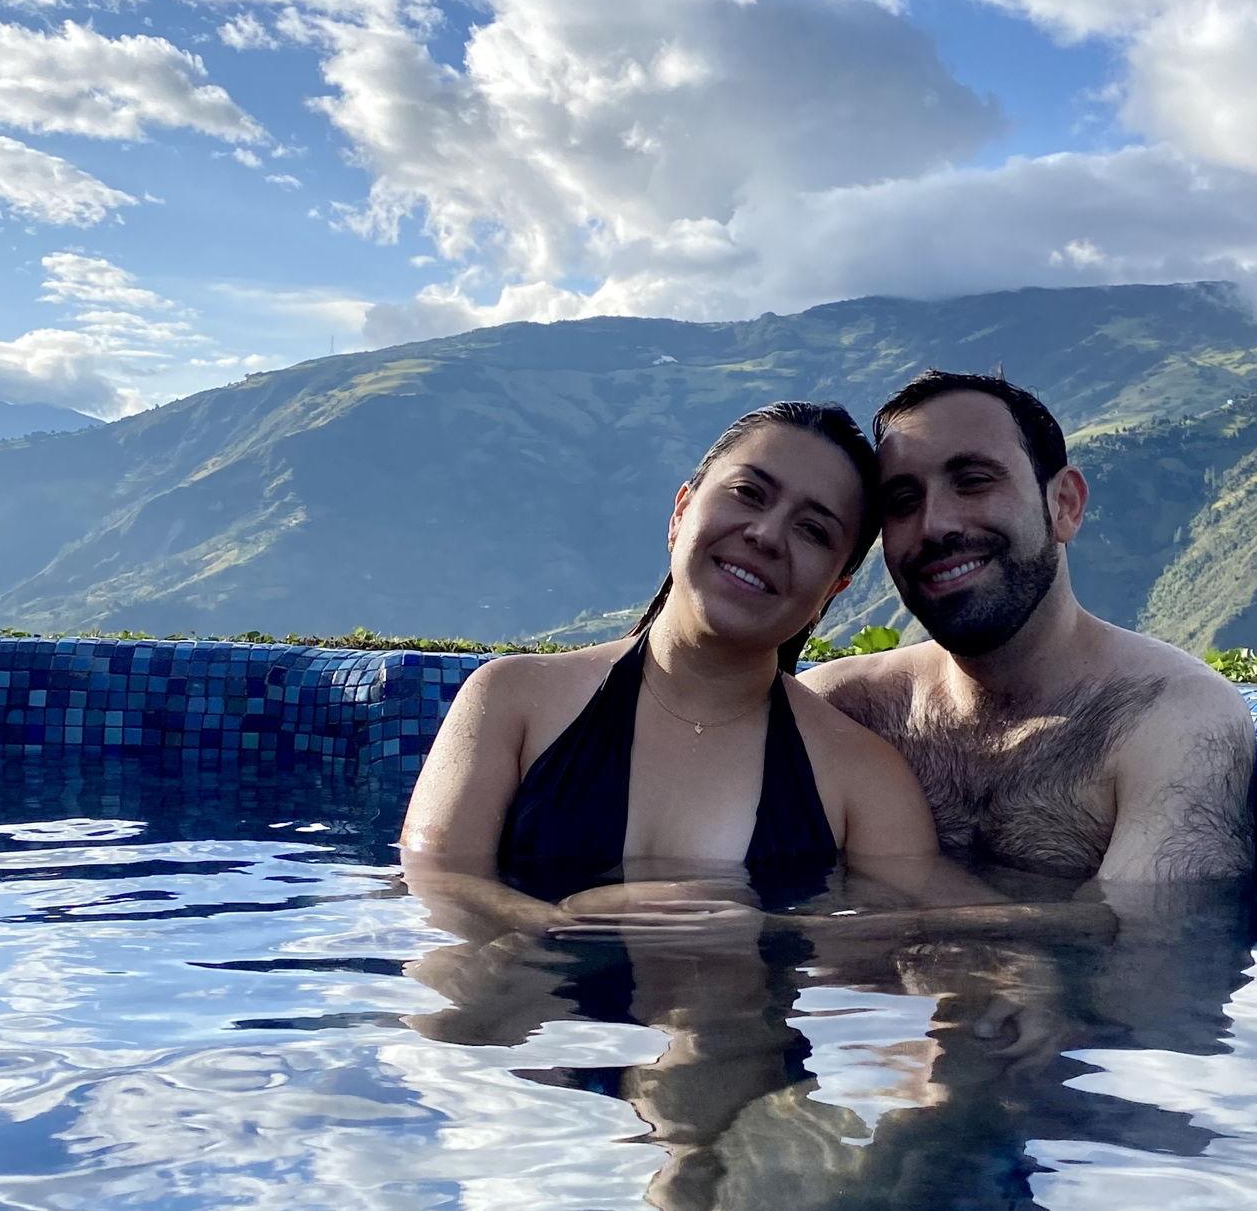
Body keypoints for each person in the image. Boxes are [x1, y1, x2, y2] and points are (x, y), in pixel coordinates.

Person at [400, 400, 942, 938]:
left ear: (834, 591)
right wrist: (573, 921)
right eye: (749, 494)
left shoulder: (865, 781)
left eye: (813, 531)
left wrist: (761, 936)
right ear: (681, 511)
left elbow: (908, 941)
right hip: (521, 1007)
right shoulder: (512, 701)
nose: (767, 535)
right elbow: (437, 888)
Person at [805, 370, 1255, 882]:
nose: (935, 525)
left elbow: (1153, 947)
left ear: (1064, 504)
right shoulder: (843, 711)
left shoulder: (1166, 717)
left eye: (973, 482)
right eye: (902, 503)